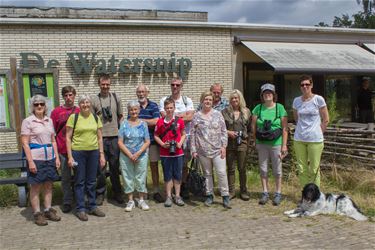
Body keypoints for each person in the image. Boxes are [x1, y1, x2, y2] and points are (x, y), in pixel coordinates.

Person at [21, 94, 61, 226]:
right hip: (36, 159)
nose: (39, 106)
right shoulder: (28, 121)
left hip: (49, 157)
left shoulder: (49, 121)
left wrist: (56, 157)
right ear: (32, 106)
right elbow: (25, 143)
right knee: (36, 186)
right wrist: (31, 161)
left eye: (41, 104)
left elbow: (53, 141)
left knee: (49, 185)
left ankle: (48, 210)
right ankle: (37, 213)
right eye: (36, 104)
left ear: (45, 106)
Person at [66, 94, 106, 221]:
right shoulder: (74, 117)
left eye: (87, 102)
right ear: (79, 105)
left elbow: (100, 138)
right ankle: (80, 209)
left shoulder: (95, 118)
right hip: (78, 153)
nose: (85, 105)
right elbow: (67, 138)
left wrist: (101, 154)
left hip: (93, 152)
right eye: (82, 102)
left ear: (90, 104)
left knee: (91, 181)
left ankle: (92, 206)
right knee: (79, 181)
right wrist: (70, 156)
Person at [191, 91, 230, 208]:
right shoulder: (196, 116)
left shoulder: (218, 114)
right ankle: (209, 195)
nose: (207, 102)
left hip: (218, 150)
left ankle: (225, 196)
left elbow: (224, 131)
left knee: (221, 173)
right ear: (202, 101)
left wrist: (224, 146)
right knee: (207, 174)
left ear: (212, 102)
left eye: (210, 100)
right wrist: (193, 150)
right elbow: (192, 134)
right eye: (205, 99)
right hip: (202, 151)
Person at [251, 84, 288, 206]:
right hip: (262, 143)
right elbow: (253, 127)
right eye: (265, 93)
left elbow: (284, 128)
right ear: (262, 95)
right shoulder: (258, 108)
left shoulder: (280, 108)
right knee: (263, 168)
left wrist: (284, 145)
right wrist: (255, 141)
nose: (268, 94)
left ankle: (278, 193)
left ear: (273, 95)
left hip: (276, 143)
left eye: (270, 93)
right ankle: (265, 192)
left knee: (277, 169)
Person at [91, 74, 124, 204]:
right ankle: (100, 194)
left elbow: (120, 116)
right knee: (101, 168)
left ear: (110, 84)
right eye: (103, 84)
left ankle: (117, 192)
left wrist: (120, 132)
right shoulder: (94, 100)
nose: (105, 86)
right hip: (100, 138)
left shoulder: (116, 98)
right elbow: (92, 120)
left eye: (107, 84)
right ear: (99, 84)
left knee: (115, 167)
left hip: (115, 138)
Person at [159, 77, 194, 199]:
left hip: (185, 138)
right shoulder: (164, 100)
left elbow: (190, 117)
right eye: (173, 84)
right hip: (168, 140)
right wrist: (182, 115)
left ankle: (182, 187)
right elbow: (165, 116)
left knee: (183, 165)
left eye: (177, 85)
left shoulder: (187, 100)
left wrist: (177, 117)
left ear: (181, 86)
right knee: (170, 166)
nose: (175, 87)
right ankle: (171, 191)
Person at [293, 75, 329, 188]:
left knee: (314, 169)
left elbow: (326, 119)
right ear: (300, 87)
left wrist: (318, 132)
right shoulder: (296, 101)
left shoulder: (318, 99)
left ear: (311, 85)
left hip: (315, 140)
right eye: (302, 85)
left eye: (307, 84)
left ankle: (315, 196)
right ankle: (305, 194)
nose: (305, 86)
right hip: (299, 139)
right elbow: (296, 119)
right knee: (302, 169)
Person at [50, 86, 80, 213]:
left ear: (74, 96)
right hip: (62, 150)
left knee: (79, 176)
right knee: (66, 178)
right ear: (63, 97)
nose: (68, 97)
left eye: (70, 95)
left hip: (78, 149)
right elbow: (52, 133)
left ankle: (80, 200)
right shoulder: (56, 112)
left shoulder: (80, 110)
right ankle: (67, 201)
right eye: (66, 95)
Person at [118, 101, 151, 212]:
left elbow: (147, 141)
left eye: (135, 109)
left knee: (141, 177)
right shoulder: (123, 124)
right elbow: (120, 142)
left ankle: (141, 199)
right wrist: (130, 154)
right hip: (126, 155)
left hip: (141, 155)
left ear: (139, 110)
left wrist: (138, 153)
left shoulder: (143, 124)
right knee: (128, 177)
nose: (133, 111)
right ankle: (130, 200)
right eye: (131, 109)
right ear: (128, 111)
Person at [154, 98, 186, 207]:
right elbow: (156, 136)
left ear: (174, 108)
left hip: (178, 152)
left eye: (171, 107)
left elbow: (183, 134)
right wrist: (162, 144)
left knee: (177, 175)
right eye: (167, 108)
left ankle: (177, 196)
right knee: (167, 175)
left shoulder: (179, 121)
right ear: (164, 108)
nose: (169, 110)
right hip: (165, 153)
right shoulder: (160, 122)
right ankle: (168, 196)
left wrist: (180, 144)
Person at [222, 89, 251, 201]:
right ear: (230, 100)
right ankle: (231, 191)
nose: (234, 100)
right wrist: (228, 132)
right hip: (229, 143)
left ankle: (243, 191)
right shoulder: (224, 112)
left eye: (236, 98)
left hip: (242, 143)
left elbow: (249, 128)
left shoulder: (246, 111)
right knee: (230, 168)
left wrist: (248, 140)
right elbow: (220, 128)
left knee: (242, 168)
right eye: (232, 98)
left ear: (240, 99)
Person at [135, 84, 163, 202]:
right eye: (139, 92)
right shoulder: (134, 106)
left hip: (152, 142)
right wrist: (148, 122)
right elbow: (132, 122)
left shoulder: (154, 105)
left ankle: (156, 191)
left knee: (154, 166)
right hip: (138, 143)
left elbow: (157, 121)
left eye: (143, 92)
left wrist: (141, 121)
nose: (141, 94)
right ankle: (143, 191)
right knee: (141, 169)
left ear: (147, 93)